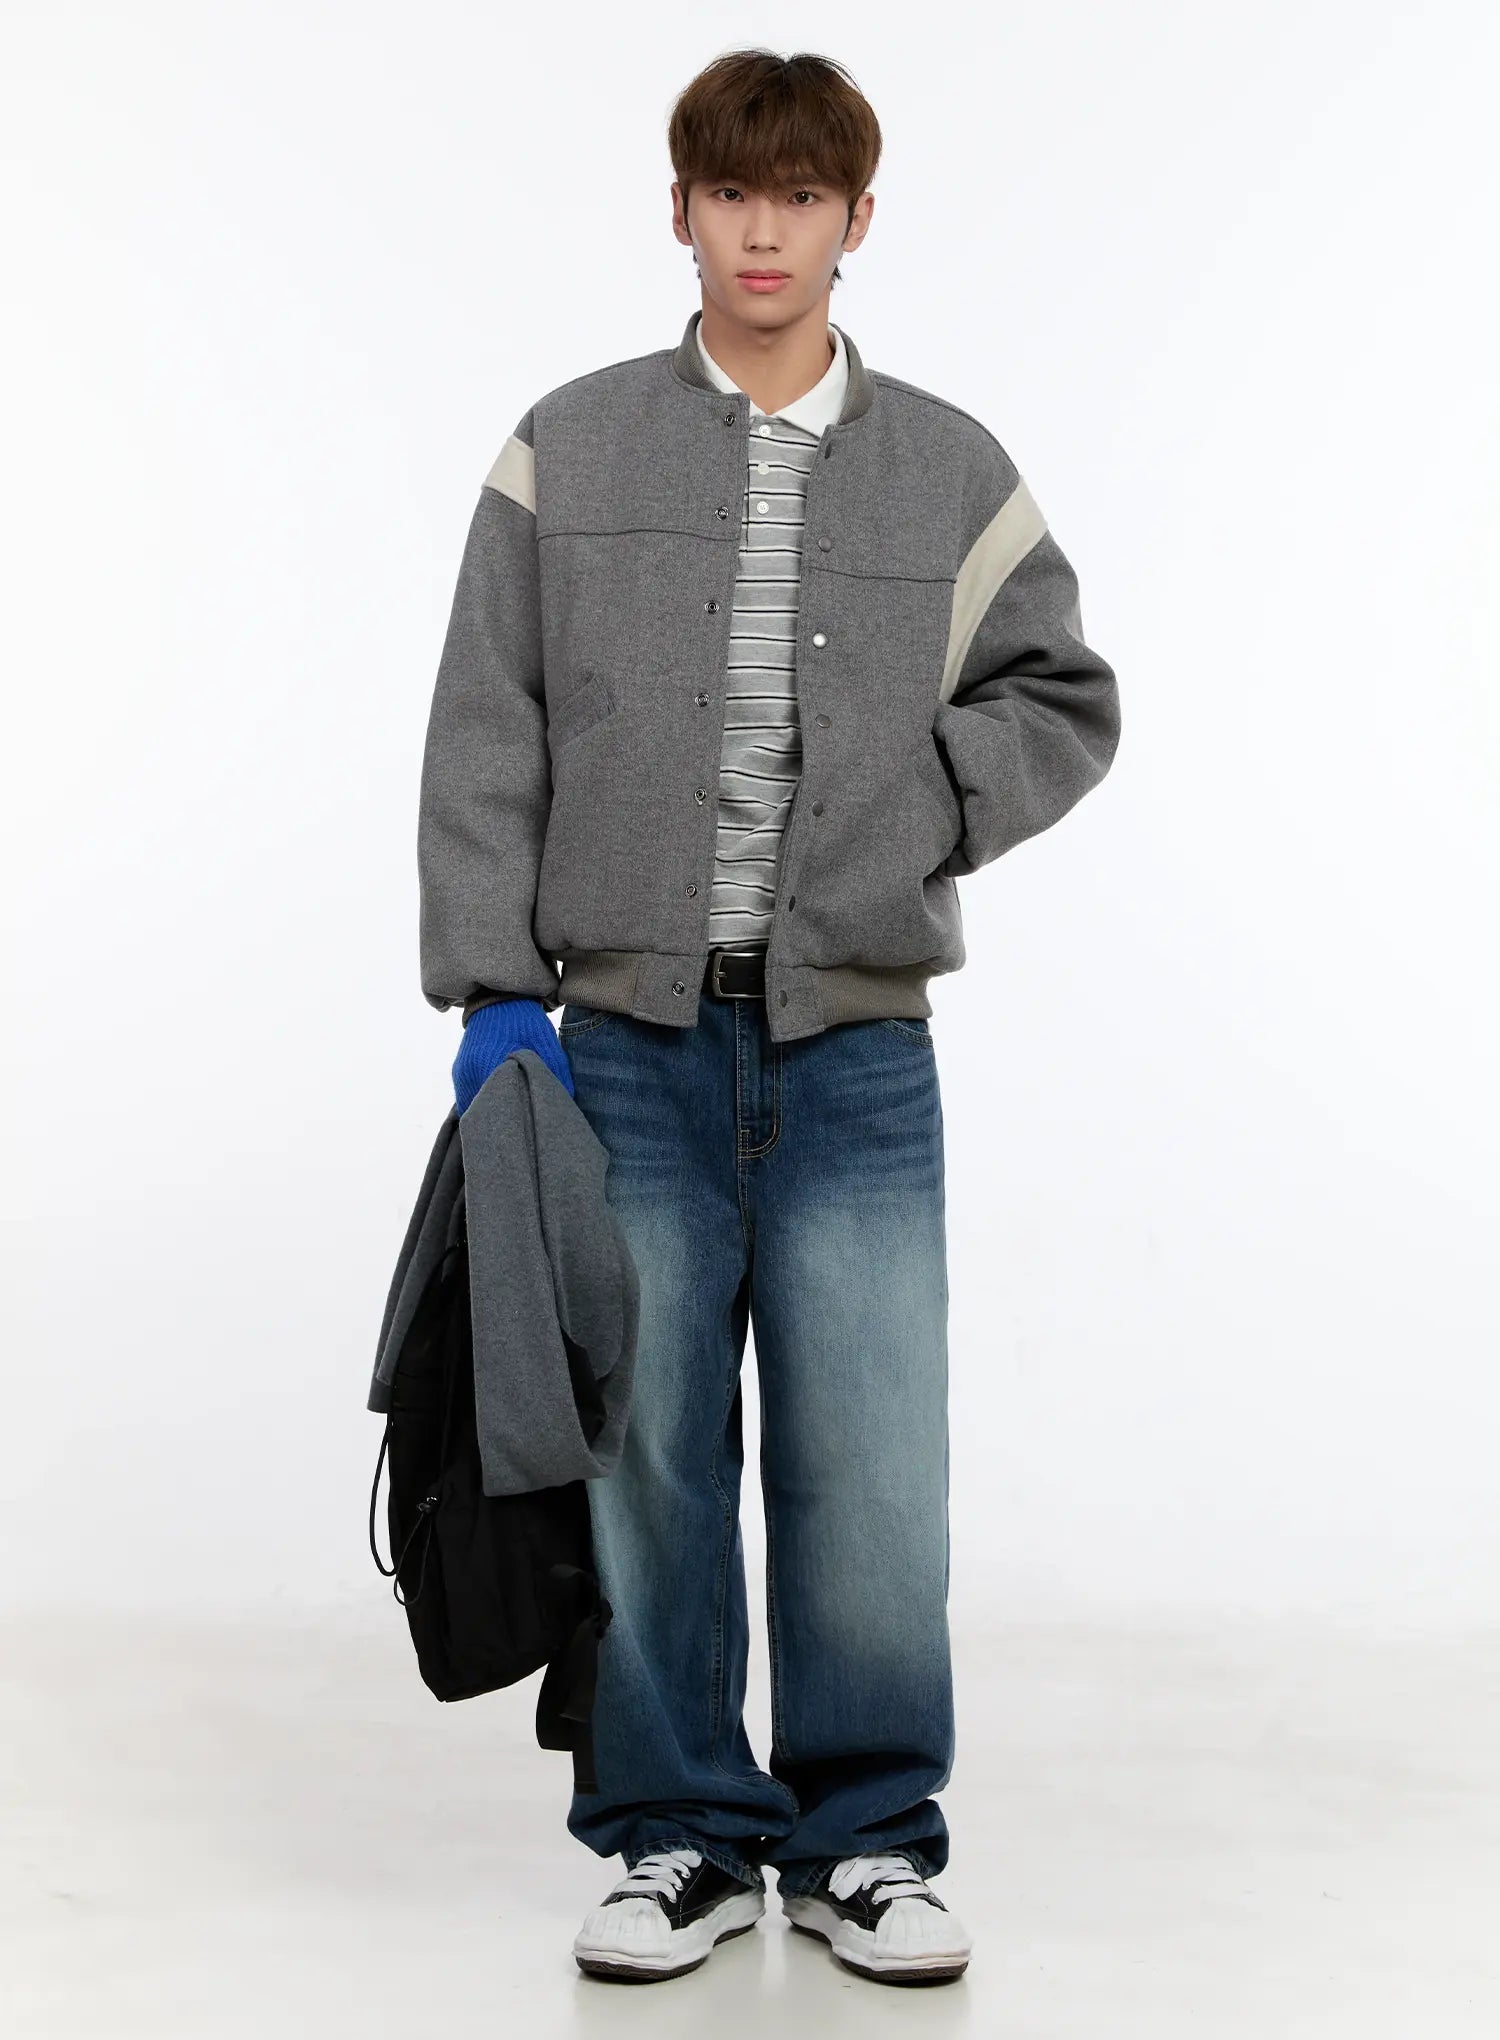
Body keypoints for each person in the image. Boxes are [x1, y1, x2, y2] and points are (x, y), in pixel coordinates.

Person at [418, 47, 1121, 1988]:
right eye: (731, 192)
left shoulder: (949, 467)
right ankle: (676, 1833)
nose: (763, 230)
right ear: (682, 210)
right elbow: (486, 727)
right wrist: (493, 992)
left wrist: (920, 813)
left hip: (856, 1052)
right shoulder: (568, 447)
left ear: (855, 221)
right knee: (642, 1454)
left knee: (869, 1464)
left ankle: (866, 1839)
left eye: (801, 197)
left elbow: (1063, 696)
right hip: (622, 1047)